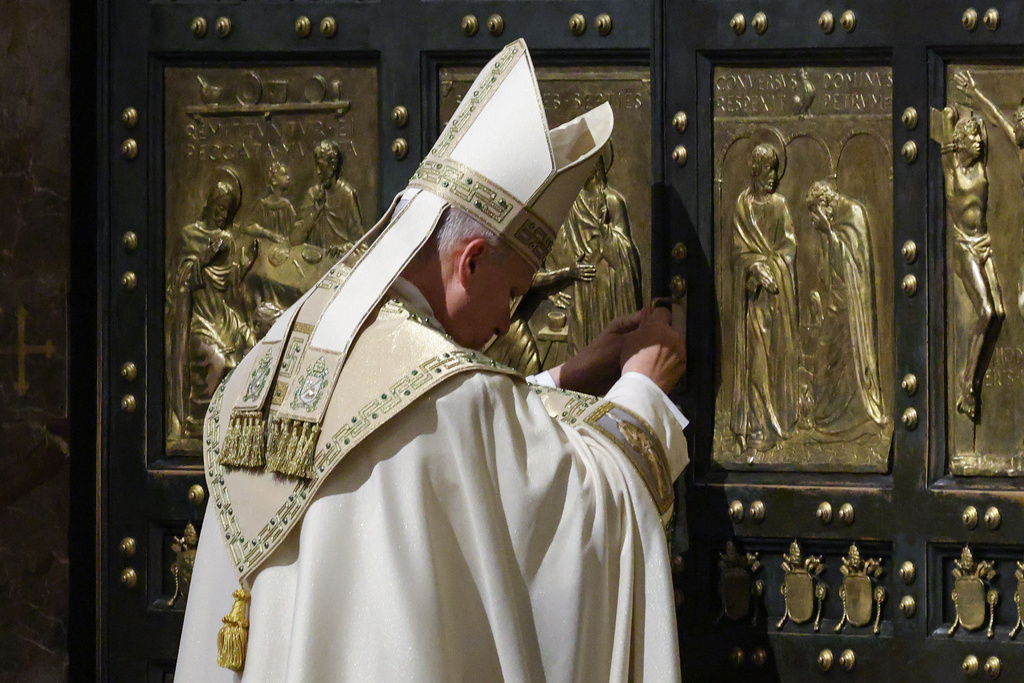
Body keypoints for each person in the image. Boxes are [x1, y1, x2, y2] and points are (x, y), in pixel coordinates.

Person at [176, 39, 688, 681]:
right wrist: (641, 389)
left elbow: (452, 422)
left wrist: (573, 370)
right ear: (470, 261)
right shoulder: (449, 395)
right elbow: (579, 518)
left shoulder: (279, 350)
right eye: (512, 290)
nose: (508, 318)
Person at [167, 168, 258, 440]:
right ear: (208, 204)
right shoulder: (188, 236)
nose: (222, 216)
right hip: (200, 322)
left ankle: (241, 425)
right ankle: (204, 425)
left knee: (253, 348)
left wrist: (243, 266)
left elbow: (228, 287)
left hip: (223, 316)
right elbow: (180, 284)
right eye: (219, 209)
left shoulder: (226, 239)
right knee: (218, 362)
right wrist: (203, 258)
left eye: (227, 212)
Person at [934, 103, 1005, 420]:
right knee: (986, 311)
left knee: (1000, 313)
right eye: (973, 137)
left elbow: (987, 135)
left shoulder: (981, 168)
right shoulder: (953, 169)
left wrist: (971, 104)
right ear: (960, 142)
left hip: (984, 244)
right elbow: (944, 140)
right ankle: (966, 385)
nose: (979, 141)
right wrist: (950, 117)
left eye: (980, 137)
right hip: (964, 246)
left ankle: (972, 379)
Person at [730, 143, 799, 453]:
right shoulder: (742, 206)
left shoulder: (780, 205)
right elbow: (737, 253)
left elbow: (789, 248)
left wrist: (771, 267)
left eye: (775, 170)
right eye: (767, 170)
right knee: (754, 359)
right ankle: (757, 424)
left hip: (775, 299)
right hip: (751, 301)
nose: (772, 177)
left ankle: (775, 421)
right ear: (755, 170)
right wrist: (753, 268)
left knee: (772, 360)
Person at [804, 180, 886, 435]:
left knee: (835, 353)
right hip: (835, 304)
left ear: (826, 204)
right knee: (824, 351)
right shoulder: (832, 222)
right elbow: (827, 270)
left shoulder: (853, 214)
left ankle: (852, 415)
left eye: (816, 211)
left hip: (851, 308)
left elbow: (854, 266)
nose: (814, 220)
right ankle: (826, 414)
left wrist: (829, 232)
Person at [956, 70, 1024, 320]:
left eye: (1021, 119)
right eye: (1017, 118)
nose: (1017, 123)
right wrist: (974, 93)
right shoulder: (1020, 147)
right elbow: (995, 117)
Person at [290, 139, 364, 252]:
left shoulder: (346, 195)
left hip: (338, 264)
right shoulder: (313, 194)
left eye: (321, 166)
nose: (318, 171)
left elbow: (360, 245)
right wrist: (315, 213)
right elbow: (294, 240)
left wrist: (343, 249)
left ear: (333, 165)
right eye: (316, 166)